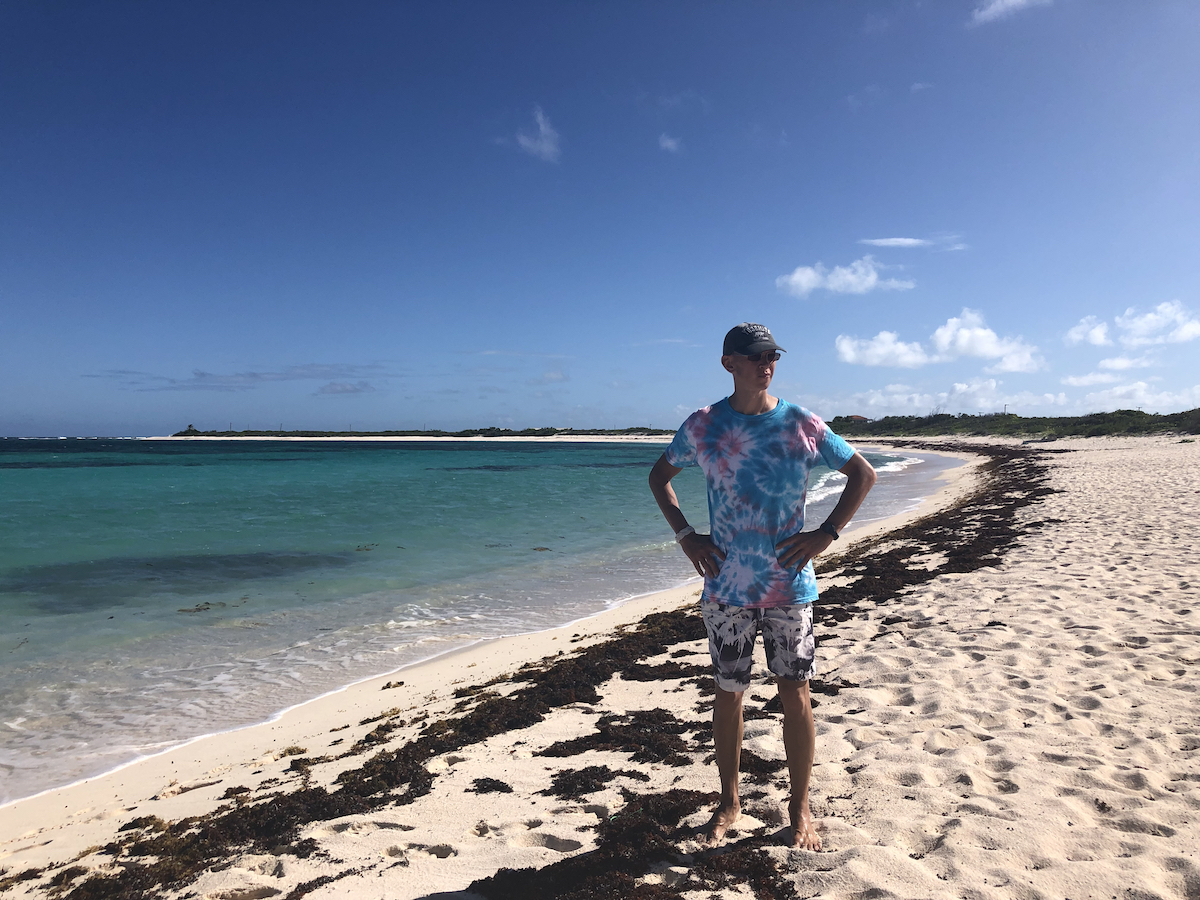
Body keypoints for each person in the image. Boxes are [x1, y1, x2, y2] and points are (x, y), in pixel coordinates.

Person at [648, 322, 877, 850]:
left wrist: (826, 533)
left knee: (795, 693)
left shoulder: (802, 423)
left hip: (789, 586)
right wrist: (686, 536)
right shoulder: (704, 425)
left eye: (772, 355)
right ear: (728, 363)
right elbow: (659, 477)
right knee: (729, 693)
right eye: (754, 356)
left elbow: (863, 474)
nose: (765, 364)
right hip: (725, 586)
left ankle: (800, 808)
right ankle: (729, 802)